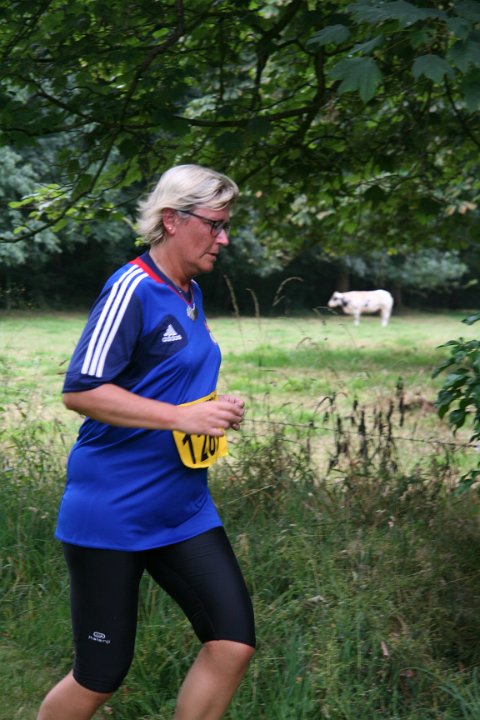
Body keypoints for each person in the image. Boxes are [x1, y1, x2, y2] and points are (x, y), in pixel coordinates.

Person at [37, 164, 255, 720]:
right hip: (113, 510)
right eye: (215, 225)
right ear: (172, 220)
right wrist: (181, 418)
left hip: (183, 509)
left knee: (232, 643)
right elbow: (81, 391)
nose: (224, 238)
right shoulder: (131, 288)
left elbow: (167, 384)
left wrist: (213, 409)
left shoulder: (191, 293)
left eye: (227, 225)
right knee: (99, 676)